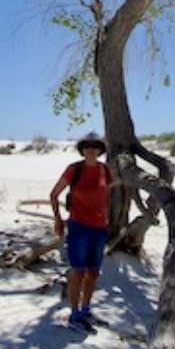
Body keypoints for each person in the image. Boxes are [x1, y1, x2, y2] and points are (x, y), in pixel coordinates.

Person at [50, 135, 111, 331]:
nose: (91, 149)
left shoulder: (105, 170)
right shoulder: (74, 169)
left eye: (95, 146)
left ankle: (86, 310)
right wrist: (58, 220)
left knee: (93, 272)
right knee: (78, 271)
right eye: (87, 146)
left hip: (99, 229)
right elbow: (54, 194)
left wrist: (107, 218)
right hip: (79, 227)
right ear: (82, 150)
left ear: (100, 150)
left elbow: (107, 194)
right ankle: (74, 314)